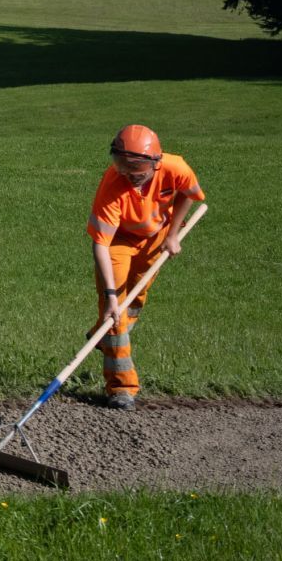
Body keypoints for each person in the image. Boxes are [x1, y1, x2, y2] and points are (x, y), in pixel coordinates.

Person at [84, 123, 205, 411]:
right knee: (116, 314)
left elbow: (189, 193)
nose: (127, 176)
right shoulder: (113, 185)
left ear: (154, 163)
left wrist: (174, 234)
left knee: (135, 301)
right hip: (118, 242)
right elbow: (100, 244)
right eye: (121, 167)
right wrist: (112, 298)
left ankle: (103, 334)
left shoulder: (176, 167)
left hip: (155, 239)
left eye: (135, 171)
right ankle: (122, 387)